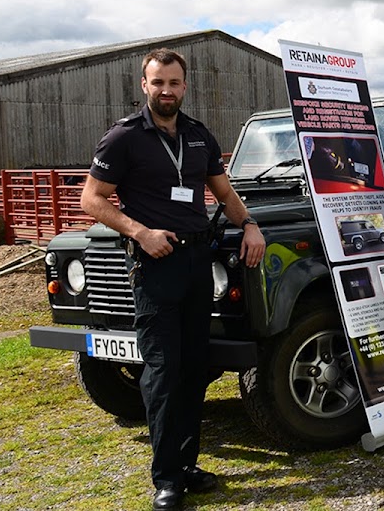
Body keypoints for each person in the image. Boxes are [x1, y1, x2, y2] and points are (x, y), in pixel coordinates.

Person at [80, 48, 265, 511]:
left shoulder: (199, 136)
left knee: (193, 368)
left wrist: (251, 225)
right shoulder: (123, 138)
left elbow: (224, 192)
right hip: (155, 266)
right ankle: (165, 479)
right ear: (144, 85)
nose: (166, 90)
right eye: (158, 82)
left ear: (185, 86)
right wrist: (139, 232)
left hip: (197, 261)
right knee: (162, 372)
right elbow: (92, 199)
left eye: (174, 83)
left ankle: (187, 466)